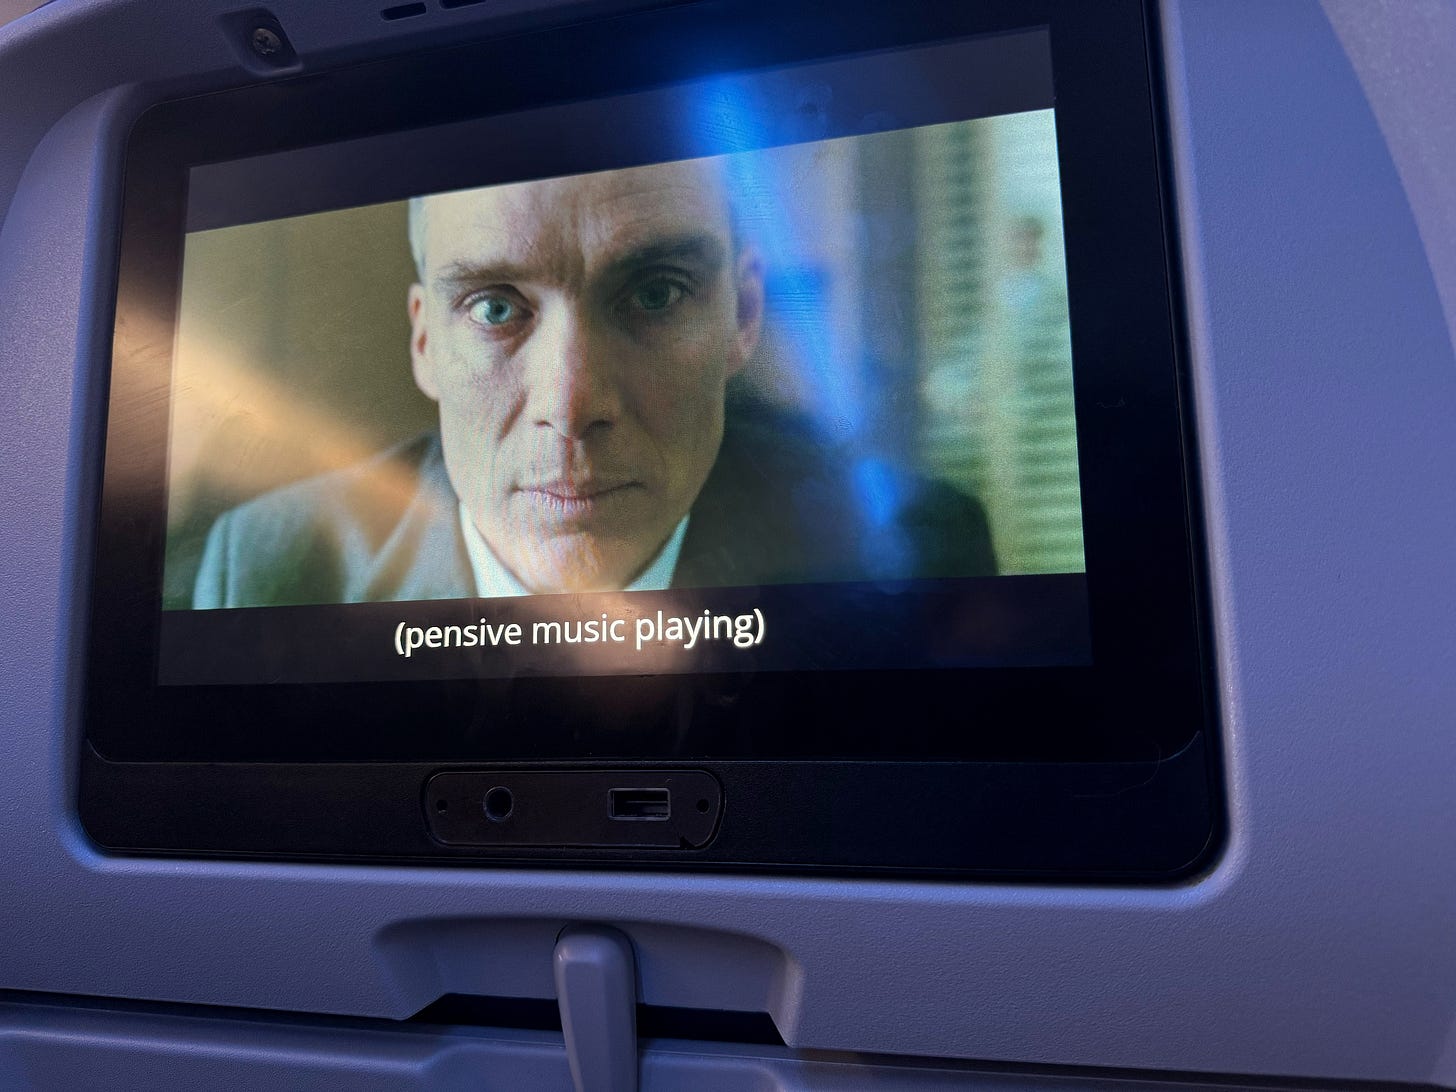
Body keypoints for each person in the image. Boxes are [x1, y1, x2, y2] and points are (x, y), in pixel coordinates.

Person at [193, 157, 995, 608]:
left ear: (742, 316)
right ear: (427, 340)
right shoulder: (271, 568)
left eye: (653, 293)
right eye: (496, 307)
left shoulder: (915, 553)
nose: (571, 406)